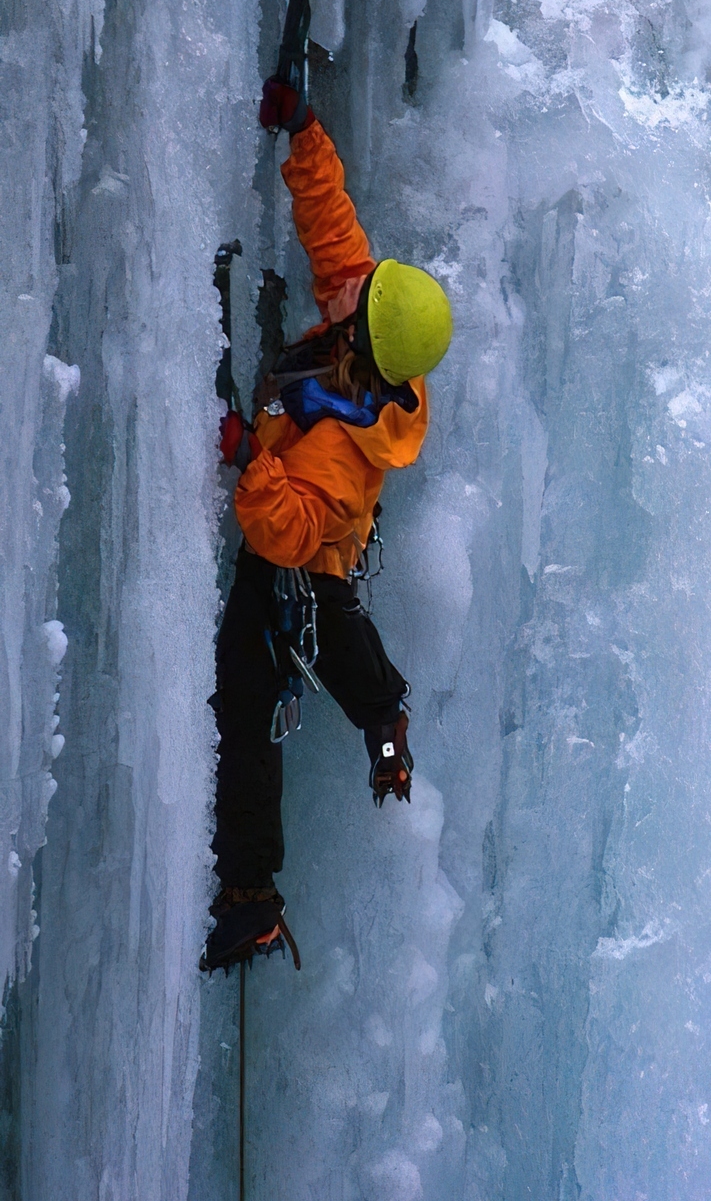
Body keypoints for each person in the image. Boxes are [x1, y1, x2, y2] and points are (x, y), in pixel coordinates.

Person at [200, 78, 454, 973]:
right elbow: (336, 237)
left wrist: (246, 456)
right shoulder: (371, 343)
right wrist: (306, 132)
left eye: (360, 300)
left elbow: (286, 531)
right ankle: (382, 713)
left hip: (302, 564)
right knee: (320, 658)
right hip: (306, 553)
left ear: (366, 346)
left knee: (250, 698)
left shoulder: (344, 459)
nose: (346, 294)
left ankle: (251, 897)